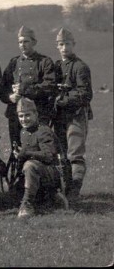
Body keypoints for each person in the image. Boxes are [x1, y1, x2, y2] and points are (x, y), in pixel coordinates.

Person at [0, 26, 56, 157]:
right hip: (16, 114)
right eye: (20, 42)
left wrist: (25, 89)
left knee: (37, 148)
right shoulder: (13, 62)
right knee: (16, 149)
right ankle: (19, 176)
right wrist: (10, 97)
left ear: (34, 42)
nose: (22, 45)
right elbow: (2, 88)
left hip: (38, 114)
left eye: (26, 41)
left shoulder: (44, 61)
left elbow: (49, 86)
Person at [52, 28, 92, 200]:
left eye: (67, 44)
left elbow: (85, 93)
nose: (64, 48)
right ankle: (66, 187)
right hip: (59, 116)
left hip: (76, 115)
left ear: (73, 45)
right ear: (57, 46)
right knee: (61, 152)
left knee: (75, 153)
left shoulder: (80, 67)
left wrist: (65, 99)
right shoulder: (56, 66)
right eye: (61, 44)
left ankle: (75, 189)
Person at [14, 98, 60, 218]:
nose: (24, 119)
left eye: (27, 115)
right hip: (36, 174)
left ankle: (27, 205)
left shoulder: (43, 131)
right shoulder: (23, 132)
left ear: (36, 114)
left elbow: (49, 156)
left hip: (50, 174)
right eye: (21, 116)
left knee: (30, 165)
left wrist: (26, 153)